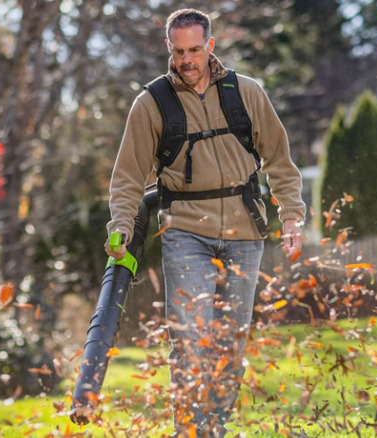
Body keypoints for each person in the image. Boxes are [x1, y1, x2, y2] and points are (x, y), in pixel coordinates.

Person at [105, 8, 307, 437]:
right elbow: (127, 178)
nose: (187, 60)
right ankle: (190, 432)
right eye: (179, 51)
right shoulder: (153, 103)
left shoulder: (245, 92)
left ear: (210, 45)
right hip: (184, 229)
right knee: (190, 340)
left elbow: (280, 162)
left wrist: (292, 216)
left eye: (195, 49)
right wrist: (119, 227)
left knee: (230, 344)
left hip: (245, 230)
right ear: (168, 49)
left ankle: (212, 428)